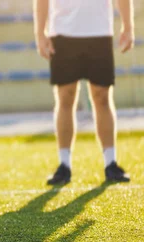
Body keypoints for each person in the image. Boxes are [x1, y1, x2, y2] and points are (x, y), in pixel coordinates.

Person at [34, 0, 134, 185]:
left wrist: (128, 25)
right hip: (62, 33)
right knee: (65, 97)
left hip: (99, 32)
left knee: (102, 96)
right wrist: (40, 32)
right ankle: (64, 165)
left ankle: (110, 163)